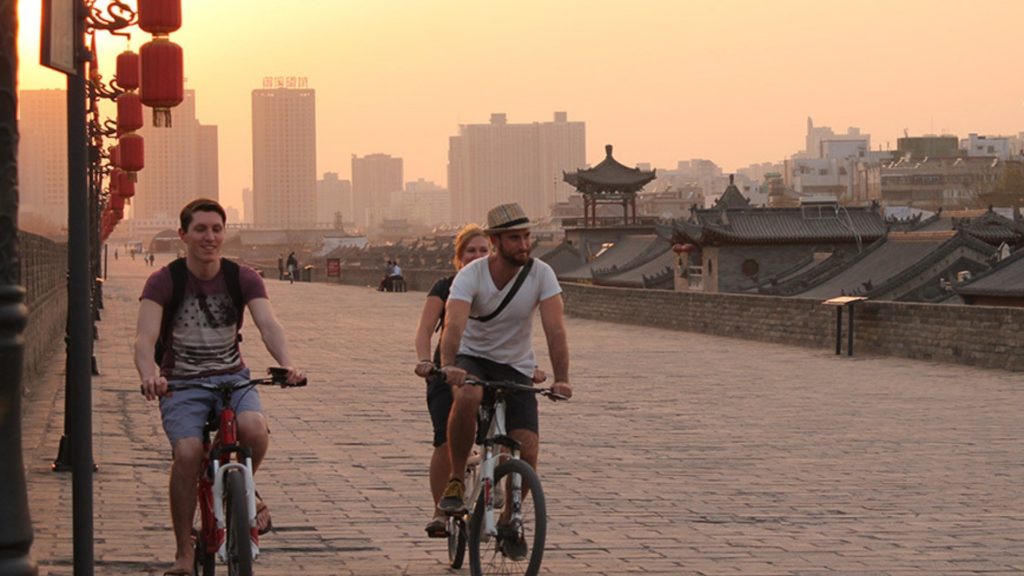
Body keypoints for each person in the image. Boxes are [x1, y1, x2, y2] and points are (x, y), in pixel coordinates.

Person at [134, 198, 305, 576]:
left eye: (216, 229)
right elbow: (144, 340)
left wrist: (287, 362)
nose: (209, 237)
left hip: (232, 377)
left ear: (224, 234)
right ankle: (184, 552)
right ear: (184, 235)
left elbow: (268, 324)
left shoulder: (242, 277)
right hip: (182, 383)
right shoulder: (165, 280)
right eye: (200, 229)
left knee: (254, 432)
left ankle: (245, 490)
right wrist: (150, 375)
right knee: (189, 453)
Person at [437, 203, 573, 551]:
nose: (524, 245)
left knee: (527, 448)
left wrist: (562, 377)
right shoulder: (472, 275)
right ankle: (455, 480)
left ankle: (512, 519)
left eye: (527, 237)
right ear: (496, 241)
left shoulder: (542, 274)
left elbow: (555, 329)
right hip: (474, 358)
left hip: (515, 364)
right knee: (467, 395)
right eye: (515, 238)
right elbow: (454, 324)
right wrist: (450, 363)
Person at [413, 224, 491, 537]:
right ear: (458, 259)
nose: (477, 256)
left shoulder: (499, 286)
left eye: (483, 250)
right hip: (447, 371)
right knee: (444, 441)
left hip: (487, 369)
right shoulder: (445, 287)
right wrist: (423, 361)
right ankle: (440, 511)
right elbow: (424, 329)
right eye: (470, 251)